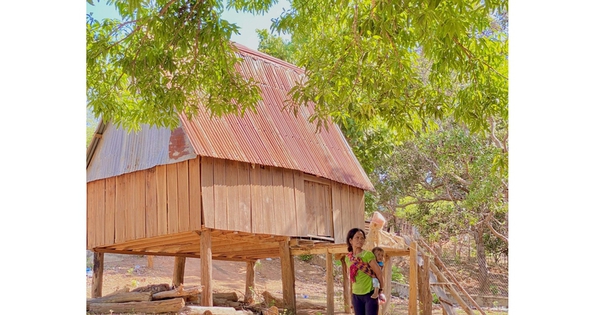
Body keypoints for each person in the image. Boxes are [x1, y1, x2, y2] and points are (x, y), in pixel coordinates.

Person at [345, 228, 383, 315]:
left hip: (370, 294)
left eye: (362, 238)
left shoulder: (368, 255)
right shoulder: (348, 258)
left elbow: (379, 273)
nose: (360, 240)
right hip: (356, 295)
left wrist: (380, 290)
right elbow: (351, 278)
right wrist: (351, 296)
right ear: (350, 240)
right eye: (357, 238)